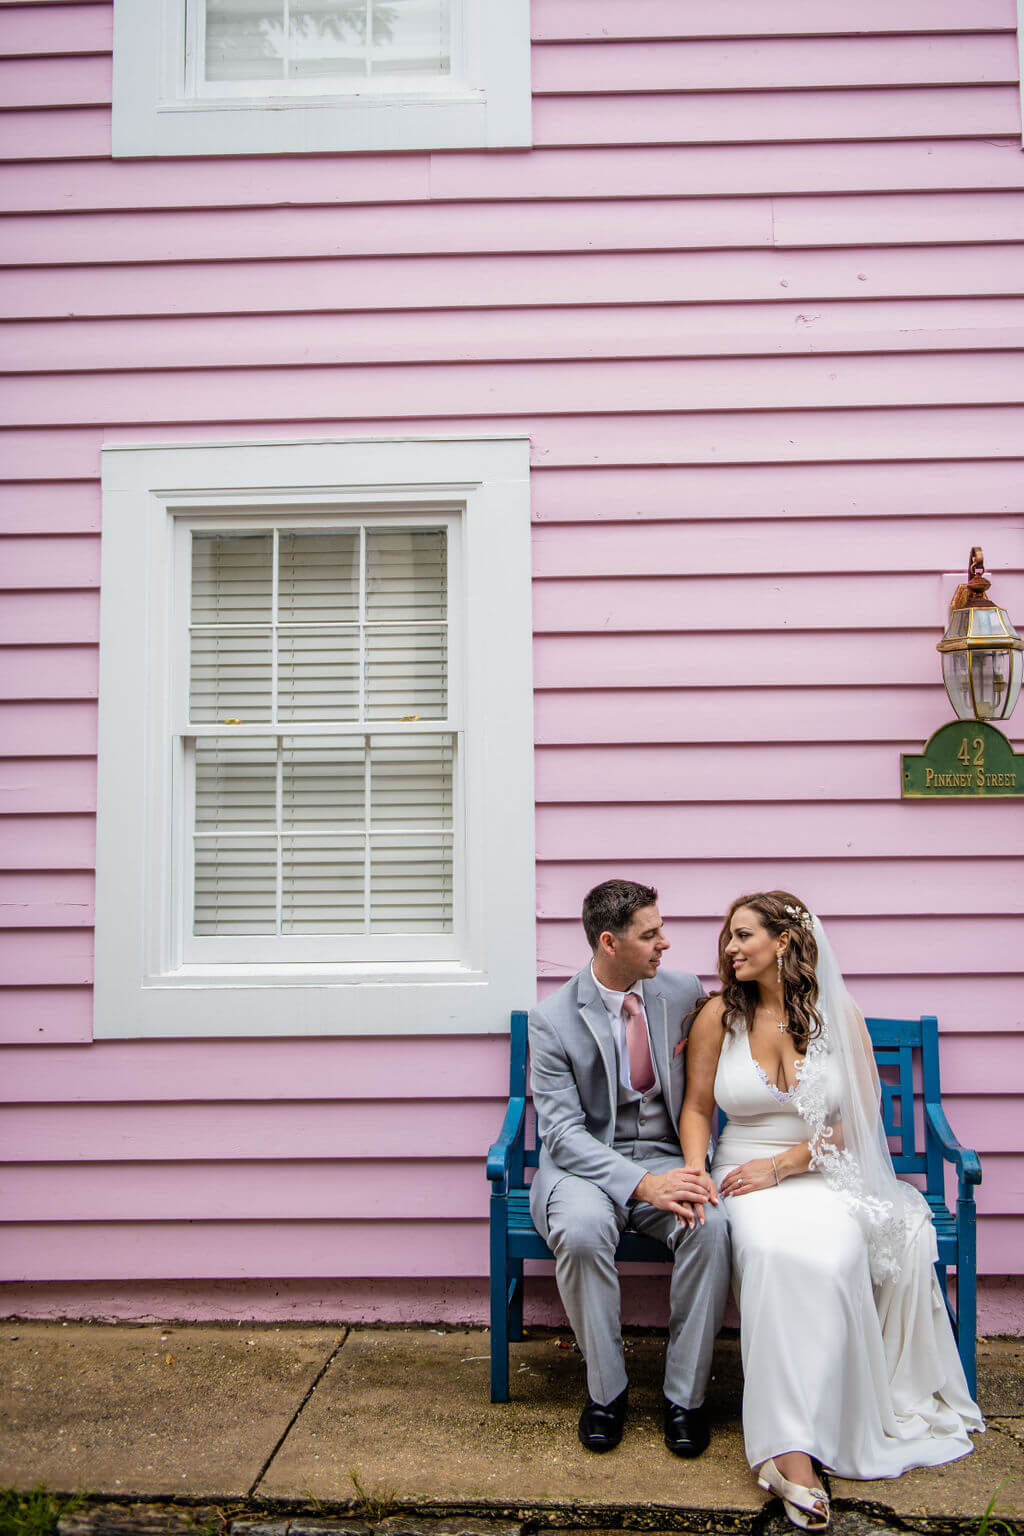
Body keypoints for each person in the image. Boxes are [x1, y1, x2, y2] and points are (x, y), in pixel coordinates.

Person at [680, 890, 983, 1531]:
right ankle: (790, 1452)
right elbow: (699, 1108)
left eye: (743, 936)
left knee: (833, 1253)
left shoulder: (836, 1014)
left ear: (784, 942)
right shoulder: (717, 1017)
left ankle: (830, 1420)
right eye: (728, 938)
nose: (730, 949)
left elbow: (859, 1119)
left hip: (820, 1174)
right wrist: (696, 1171)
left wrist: (784, 1166)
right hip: (741, 1176)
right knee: (773, 1253)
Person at [529, 879, 731, 1455]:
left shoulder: (683, 990)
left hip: (669, 1154)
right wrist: (644, 1184)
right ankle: (606, 1392)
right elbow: (564, 1136)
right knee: (584, 1230)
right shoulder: (552, 1020)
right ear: (610, 943)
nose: (665, 943)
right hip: (585, 1168)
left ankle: (685, 1399)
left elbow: (702, 1086)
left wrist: (691, 1171)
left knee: (711, 1227)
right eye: (651, 935)